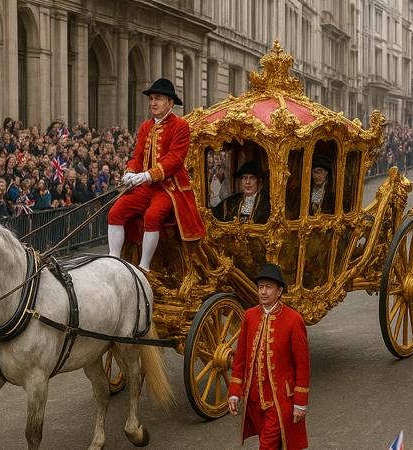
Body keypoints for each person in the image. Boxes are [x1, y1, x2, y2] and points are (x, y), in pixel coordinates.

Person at [106, 78, 206, 271]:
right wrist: (130, 172)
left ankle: (144, 267)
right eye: (151, 98)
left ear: (170, 103)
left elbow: (175, 160)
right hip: (145, 187)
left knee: (152, 216)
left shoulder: (180, 126)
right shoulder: (145, 126)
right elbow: (137, 155)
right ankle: (114, 261)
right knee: (115, 212)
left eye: (158, 98)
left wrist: (147, 175)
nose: (153, 102)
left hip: (169, 188)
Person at [228, 263, 311, 450]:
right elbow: (240, 357)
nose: (263, 292)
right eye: (260, 287)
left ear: (279, 291)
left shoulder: (293, 320)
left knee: (267, 446)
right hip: (255, 401)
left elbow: (303, 365)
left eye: (268, 287)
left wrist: (300, 403)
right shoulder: (249, 316)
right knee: (273, 442)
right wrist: (234, 392)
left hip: (280, 402)